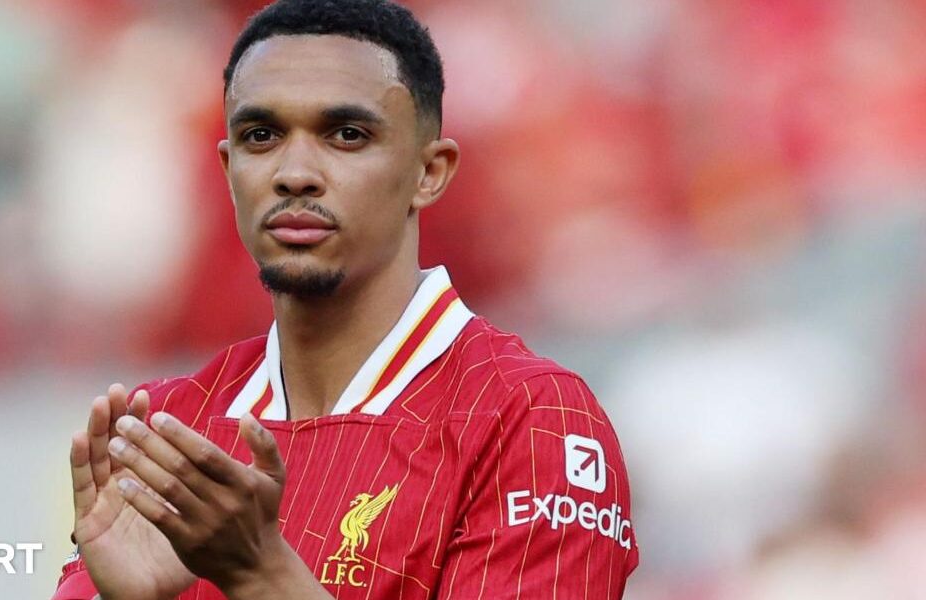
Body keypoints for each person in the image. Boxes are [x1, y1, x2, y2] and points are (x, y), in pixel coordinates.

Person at [54, 0, 639, 598]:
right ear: (228, 169)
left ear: (430, 172)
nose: (295, 173)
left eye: (346, 135)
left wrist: (261, 576)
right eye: (261, 136)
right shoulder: (169, 428)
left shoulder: (530, 420)